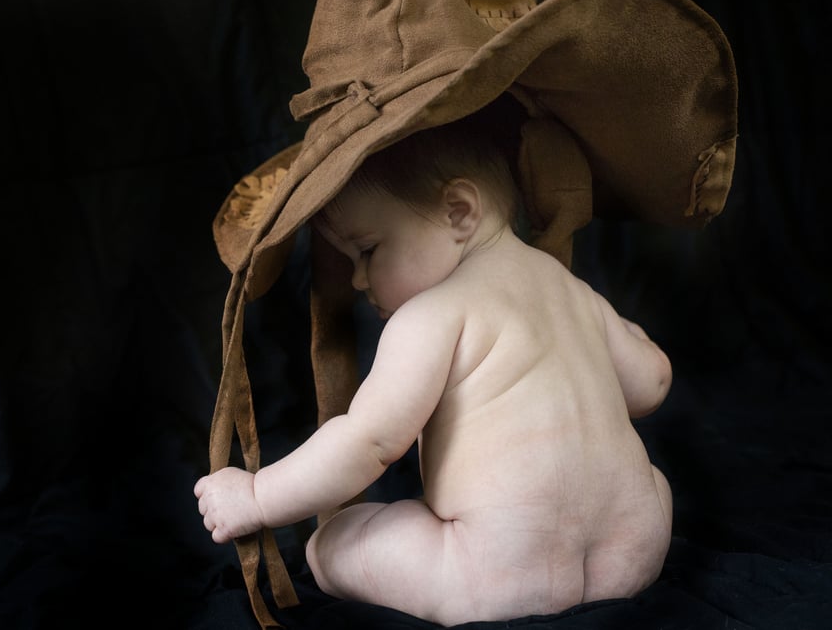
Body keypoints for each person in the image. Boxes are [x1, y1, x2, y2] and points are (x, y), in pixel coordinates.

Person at [195, 104, 674, 626]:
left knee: (331, 544)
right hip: (634, 552)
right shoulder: (572, 289)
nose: (358, 280)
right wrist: (624, 332)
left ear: (459, 212)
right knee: (653, 483)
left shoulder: (431, 315)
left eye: (369, 250)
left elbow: (369, 441)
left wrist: (258, 497)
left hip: (501, 574)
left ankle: (370, 549)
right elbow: (652, 382)